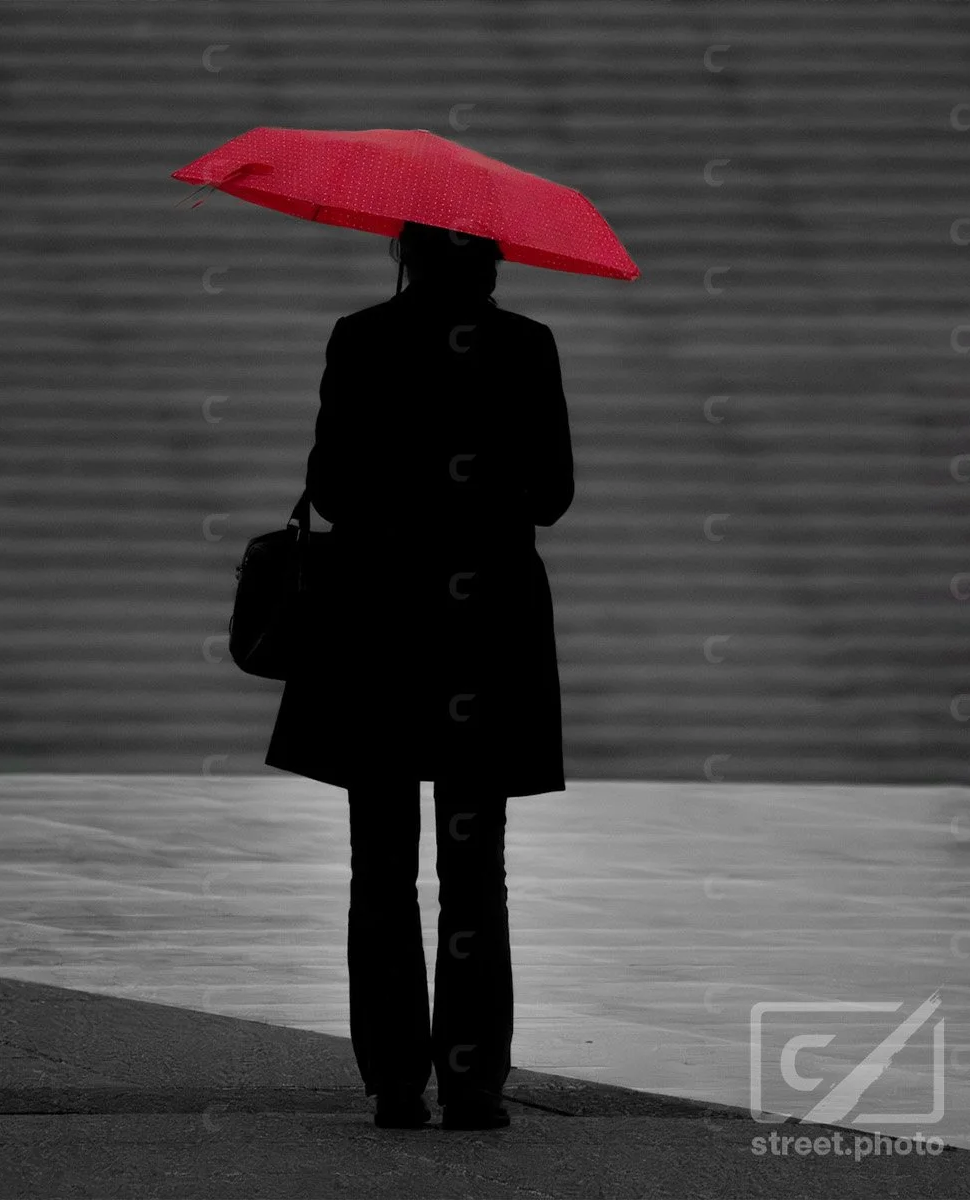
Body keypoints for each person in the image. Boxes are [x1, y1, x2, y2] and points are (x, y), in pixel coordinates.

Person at [262, 220, 576, 1131]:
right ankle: (474, 1084)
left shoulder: (361, 338)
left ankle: (397, 1080)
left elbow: (330, 489)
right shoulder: (526, 345)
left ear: (405, 255)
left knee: (381, 861)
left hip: (380, 626)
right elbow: (551, 494)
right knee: (477, 870)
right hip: (486, 630)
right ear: (495, 259)